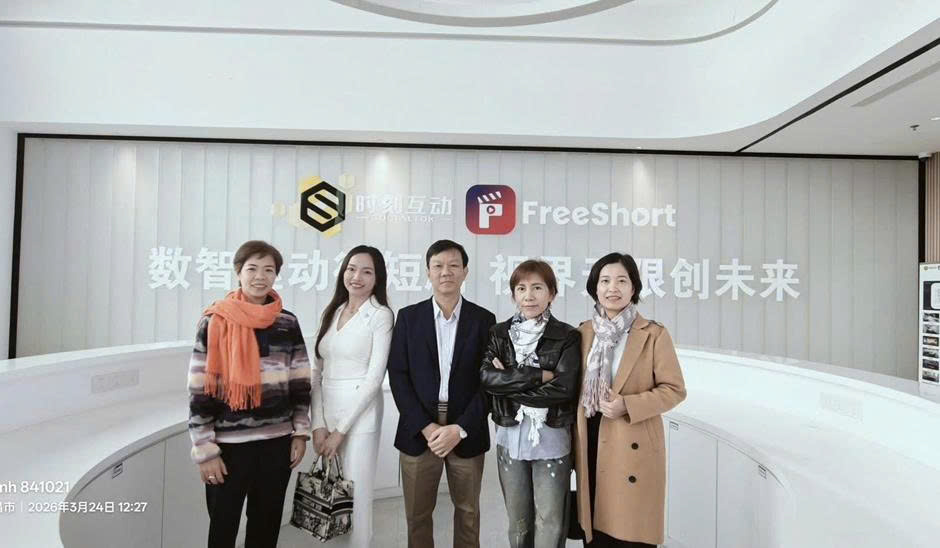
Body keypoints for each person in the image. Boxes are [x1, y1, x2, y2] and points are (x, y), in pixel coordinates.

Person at [187, 240, 311, 548]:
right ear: (238, 272)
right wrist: (205, 451)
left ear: (276, 275)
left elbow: (300, 383)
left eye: (268, 270)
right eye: (252, 268)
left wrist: (300, 434)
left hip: (276, 444)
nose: (260, 276)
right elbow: (199, 390)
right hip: (228, 447)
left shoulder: (287, 322)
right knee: (222, 528)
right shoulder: (215, 320)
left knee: (265, 528)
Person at [387, 239, 496, 548]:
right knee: (417, 515)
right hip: (419, 430)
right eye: (438, 266)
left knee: (468, 513)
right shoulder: (408, 318)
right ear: (428, 272)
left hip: (466, 429)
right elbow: (398, 375)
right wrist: (425, 426)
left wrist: (459, 428)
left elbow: (489, 383)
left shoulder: (484, 320)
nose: (445, 272)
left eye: (453, 266)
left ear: (465, 272)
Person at [573, 252, 686, 547]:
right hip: (592, 435)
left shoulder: (653, 334)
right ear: (595, 287)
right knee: (595, 531)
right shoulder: (584, 332)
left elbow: (674, 389)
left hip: (631, 437)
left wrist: (628, 405)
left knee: (630, 532)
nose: (613, 288)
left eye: (621, 281)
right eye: (605, 281)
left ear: (633, 287)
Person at [479, 259, 581, 548]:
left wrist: (508, 383)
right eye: (521, 288)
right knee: (518, 521)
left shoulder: (567, 336)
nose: (529, 296)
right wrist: (538, 375)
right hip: (510, 434)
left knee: (550, 521)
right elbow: (487, 378)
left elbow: (564, 388)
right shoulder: (499, 333)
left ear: (552, 294)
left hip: (551, 437)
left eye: (537, 288)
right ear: (513, 294)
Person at [310, 245, 394, 547]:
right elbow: (317, 372)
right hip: (327, 410)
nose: (357, 277)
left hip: (360, 416)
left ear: (377, 278)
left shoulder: (381, 315)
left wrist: (340, 431)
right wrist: (318, 425)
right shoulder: (332, 311)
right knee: (330, 493)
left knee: (356, 496)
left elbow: (374, 379)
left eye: (366, 271)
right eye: (351, 269)